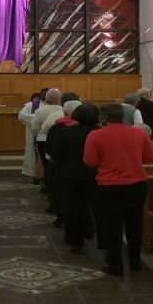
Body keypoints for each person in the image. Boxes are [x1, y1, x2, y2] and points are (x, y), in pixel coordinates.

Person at [84, 103, 153, 276]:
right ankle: (135, 262)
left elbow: (90, 161)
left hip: (109, 186)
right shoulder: (138, 133)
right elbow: (149, 157)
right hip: (137, 183)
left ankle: (115, 264)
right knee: (134, 222)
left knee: (112, 224)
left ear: (104, 117)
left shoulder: (95, 135)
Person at [50, 103, 99, 253]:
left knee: (72, 207)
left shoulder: (67, 132)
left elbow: (56, 153)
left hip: (71, 174)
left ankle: (75, 240)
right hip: (95, 174)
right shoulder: (99, 132)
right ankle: (96, 236)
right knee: (96, 207)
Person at [43, 99, 83, 227]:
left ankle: (62, 217)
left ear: (65, 112)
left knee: (60, 194)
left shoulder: (57, 127)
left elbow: (49, 148)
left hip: (60, 166)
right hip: (83, 167)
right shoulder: (89, 128)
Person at [18, 91, 45, 181]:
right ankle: (36, 176)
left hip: (47, 136)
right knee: (34, 154)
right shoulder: (31, 105)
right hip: (34, 135)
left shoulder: (55, 107)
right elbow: (21, 116)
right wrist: (36, 118)